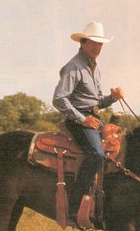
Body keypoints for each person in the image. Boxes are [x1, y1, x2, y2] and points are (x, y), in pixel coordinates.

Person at [53, 21, 124, 220]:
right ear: (83, 43)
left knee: (121, 143)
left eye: (100, 44)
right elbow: (59, 98)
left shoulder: (95, 68)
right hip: (78, 121)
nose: (97, 47)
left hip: (93, 119)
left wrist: (112, 98)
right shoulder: (74, 67)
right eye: (93, 43)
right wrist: (82, 119)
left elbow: (96, 103)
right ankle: (74, 205)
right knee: (97, 154)